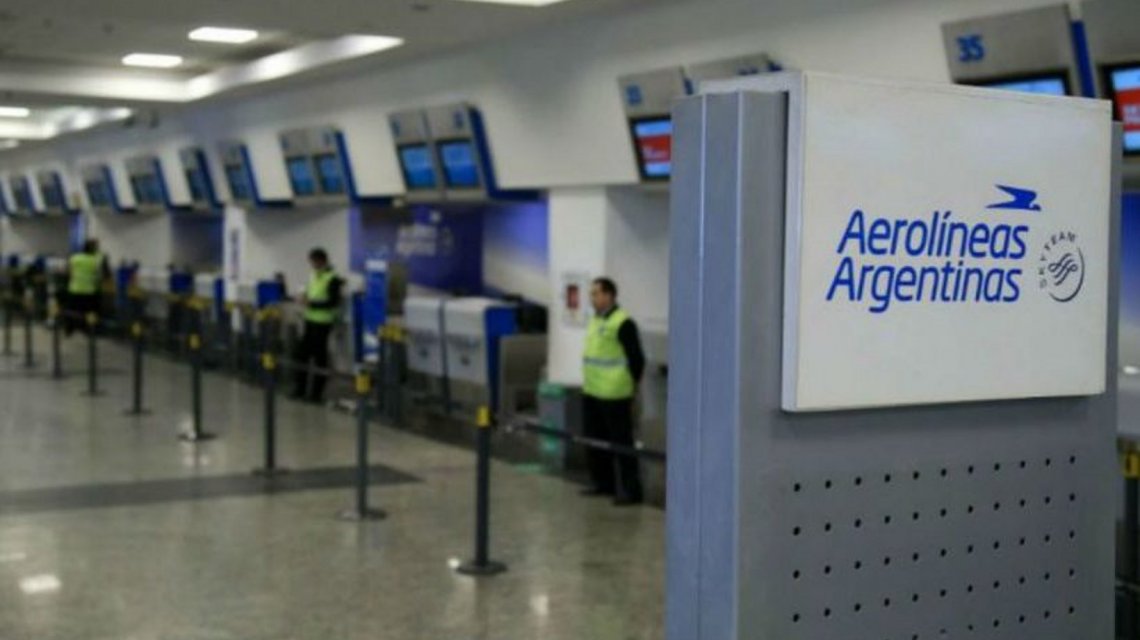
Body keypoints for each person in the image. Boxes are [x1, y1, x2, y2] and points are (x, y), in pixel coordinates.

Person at [581, 277, 646, 506]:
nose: (592, 298)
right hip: (592, 391)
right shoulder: (595, 320)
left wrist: (630, 385)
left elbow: (637, 360)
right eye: (591, 294)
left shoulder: (623, 323)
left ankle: (631, 490)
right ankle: (603, 483)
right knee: (596, 441)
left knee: (621, 443)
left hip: (615, 394)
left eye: (596, 293)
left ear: (609, 295)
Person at [291, 248, 343, 404]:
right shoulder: (313, 275)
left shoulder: (333, 279)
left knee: (320, 357)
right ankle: (300, 390)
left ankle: (316, 394)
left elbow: (333, 302)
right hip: (309, 320)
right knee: (302, 355)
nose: (312, 265)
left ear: (322, 261)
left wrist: (311, 303)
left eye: (314, 262)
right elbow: (311, 293)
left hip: (323, 322)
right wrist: (303, 297)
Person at [65, 239, 109, 335]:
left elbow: (68, 272)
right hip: (89, 290)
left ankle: (69, 329)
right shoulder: (95, 260)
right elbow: (103, 275)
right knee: (90, 312)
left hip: (74, 289)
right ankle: (89, 330)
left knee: (72, 310)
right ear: (93, 249)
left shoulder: (74, 258)